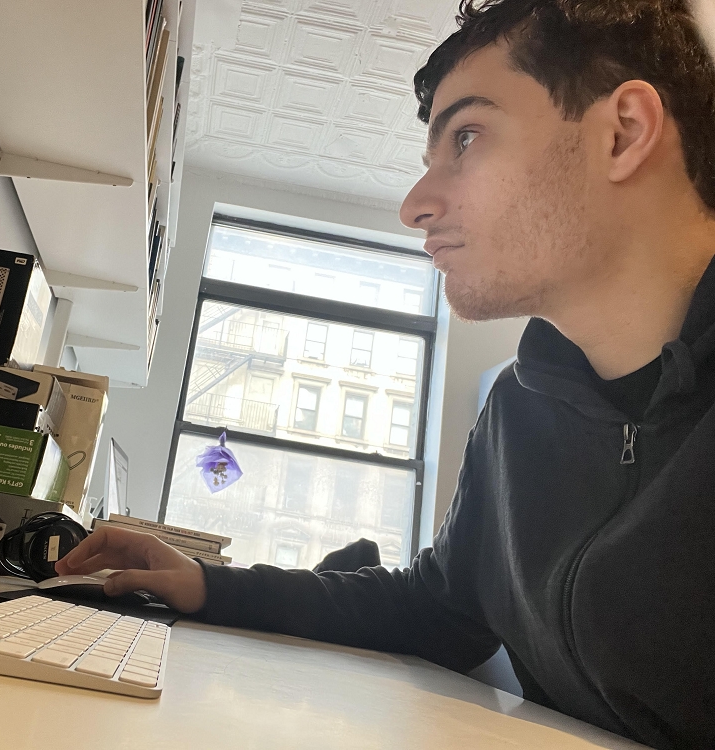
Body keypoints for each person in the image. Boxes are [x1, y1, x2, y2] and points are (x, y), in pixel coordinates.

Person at [56, 1, 715, 746]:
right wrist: (208, 584)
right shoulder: (519, 409)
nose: (414, 206)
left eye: (467, 136)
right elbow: (435, 609)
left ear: (623, 132)